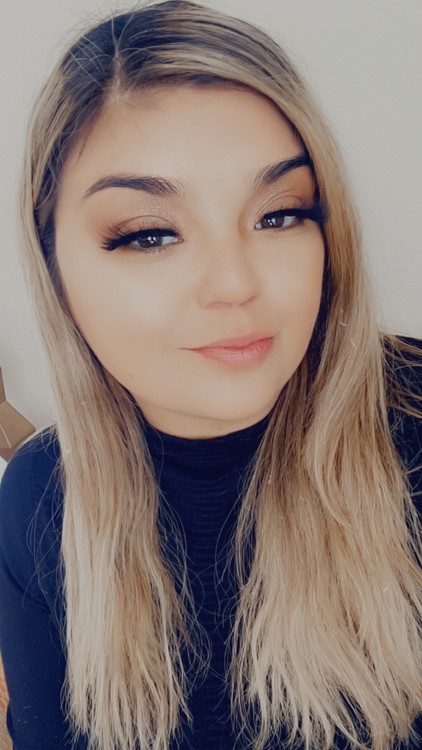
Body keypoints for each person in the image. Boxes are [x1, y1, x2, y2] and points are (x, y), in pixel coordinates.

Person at [0, 1, 421, 748]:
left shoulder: (412, 428)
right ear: (54, 267)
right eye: (149, 234)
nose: (234, 283)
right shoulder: (41, 499)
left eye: (280, 214)